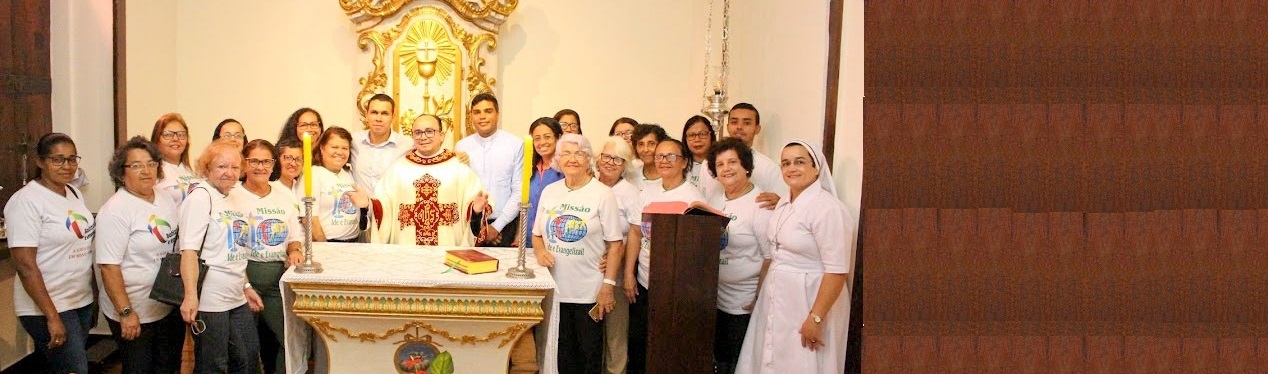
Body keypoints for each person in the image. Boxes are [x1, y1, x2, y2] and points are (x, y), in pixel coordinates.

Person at [736, 141, 852, 374]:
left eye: (799, 162)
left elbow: (837, 271)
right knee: (770, 358)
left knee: (802, 362)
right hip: (777, 295)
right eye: (786, 163)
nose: (792, 168)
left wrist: (816, 318)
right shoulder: (784, 203)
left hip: (810, 298)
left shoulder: (829, 209)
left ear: (816, 167)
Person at [532, 134, 625, 374]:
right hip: (555, 290)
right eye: (565, 153)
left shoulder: (602, 194)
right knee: (559, 356)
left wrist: (608, 285)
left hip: (589, 291)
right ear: (557, 159)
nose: (572, 159)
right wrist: (541, 251)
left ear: (588, 160)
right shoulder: (550, 191)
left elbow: (615, 244)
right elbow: (537, 235)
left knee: (588, 357)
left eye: (579, 154)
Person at [4, 133, 95, 374]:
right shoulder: (26, 201)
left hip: (79, 300)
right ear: (40, 162)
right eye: (58, 160)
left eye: (72, 159)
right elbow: (25, 266)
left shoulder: (73, 193)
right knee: (74, 369)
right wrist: (52, 317)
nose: (67, 166)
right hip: (48, 305)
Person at [95, 136, 186, 373]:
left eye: (151, 164)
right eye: (136, 165)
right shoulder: (115, 210)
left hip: (165, 305)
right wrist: (126, 312)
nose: (146, 171)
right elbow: (108, 267)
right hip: (134, 311)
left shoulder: (164, 198)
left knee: (168, 367)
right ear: (121, 172)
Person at [179, 139, 264, 374]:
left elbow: (235, 248)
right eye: (221, 167)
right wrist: (190, 297)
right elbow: (188, 251)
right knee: (212, 363)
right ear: (207, 168)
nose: (229, 173)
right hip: (209, 297)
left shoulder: (233, 197)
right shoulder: (200, 197)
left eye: (235, 167)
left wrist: (246, 285)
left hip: (236, 293)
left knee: (247, 356)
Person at [623, 138, 705, 374]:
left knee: (667, 349)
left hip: (677, 289)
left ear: (684, 162)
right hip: (645, 280)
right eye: (660, 156)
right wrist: (629, 273)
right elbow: (637, 233)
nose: (664, 161)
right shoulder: (648, 192)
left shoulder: (693, 198)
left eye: (671, 156)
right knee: (639, 344)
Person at [234, 139, 305, 374]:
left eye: (266, 161)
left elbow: (295, 234)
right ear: (244, 163)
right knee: (245, 346)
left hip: (277, 277)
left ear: (274, 164)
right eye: (253, 161)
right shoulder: (233, 195)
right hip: (243, 276)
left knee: (287, 339)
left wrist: (295, 250)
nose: (260, 167)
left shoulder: (283, 195)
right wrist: (243, 281)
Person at [704, 138, 773, 374]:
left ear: (746, 166)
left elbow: (770, 257)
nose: (727, 168)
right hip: (717, 299)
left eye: (732, 162)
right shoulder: (715, 200)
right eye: (720, 164)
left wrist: (758, 298)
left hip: (744, 304)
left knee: (739, 364)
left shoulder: (760, 204)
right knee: (720, 361)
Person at [370, 114, 490, 247]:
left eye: (429, 131)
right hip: (407, 250)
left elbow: (475, 204)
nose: (423, 137)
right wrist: (368, 205)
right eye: (418, 132)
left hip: (447, 248)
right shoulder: (398, 168)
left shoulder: (458, 167)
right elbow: (382, 204)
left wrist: (475, 211)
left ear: (441, 135)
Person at [594, 136, 642, 374]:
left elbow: (635, 233)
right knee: (591, 331)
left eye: (618, 159)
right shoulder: (589, 184)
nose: (611, 163)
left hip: (617, 269)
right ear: (598, 158)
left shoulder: (629, 192)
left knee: (615, 331)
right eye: (607, 156)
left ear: (625, 165)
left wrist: (627, 271)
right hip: (589, 267)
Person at [454, 93, 523, 247]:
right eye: (477, 112)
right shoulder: (461, 146)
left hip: (505, 224)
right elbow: (459, 188)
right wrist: (480, 228)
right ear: (471, 116)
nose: (482, 116)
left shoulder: (515, 144)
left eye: (488, 111)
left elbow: (519, 191)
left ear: (497, 114)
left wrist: (496, 227)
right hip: (470, 223)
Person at [307, 127, 369, 242]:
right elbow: (309, 217)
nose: (340, 152)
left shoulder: (349, 173)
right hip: (328, 242)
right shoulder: (313, 174)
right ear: (322, 148)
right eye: (334, 147)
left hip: (354, 242)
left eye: (345, 148)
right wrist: (324, 245)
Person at [725, 103, 786, 204]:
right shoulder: (709, 163)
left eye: (747, 123)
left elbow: (781, 205)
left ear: (757, 129)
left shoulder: (770, 168)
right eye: (734, 122)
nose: (739, 127)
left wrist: (779, 202)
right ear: (727, 127)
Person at [351, 94, 413, 193]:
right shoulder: (353, 141)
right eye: (374, 112)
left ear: (393, 118)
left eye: (384, 113)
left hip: (392, 207)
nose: (378, 118)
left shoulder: (408, 145)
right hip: (360, 207)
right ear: (366, 116)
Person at [524, 117, 564, 245]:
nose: (542, 142)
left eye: (547, 137)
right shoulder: (528, 169)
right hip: (528, 239)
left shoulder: (565, 170)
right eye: (537, 138)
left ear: (558, 138)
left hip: (555, 240)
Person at [152, 113, 198, 206]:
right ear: (157, 139)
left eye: (181, 134)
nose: (176, 139)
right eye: (168, 134)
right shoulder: (153, 171)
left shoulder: (189, 170)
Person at [682, 115, 722, 197]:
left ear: (711, 135)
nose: (697, 140)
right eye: (691, 135)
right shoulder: (680, 164)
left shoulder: (721, 163)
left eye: (702, 134)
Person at [630, 124, 669, 191]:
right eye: (641, 144)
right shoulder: (631, 176)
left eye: (651, 144)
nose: (645, 150)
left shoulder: (671, 174)